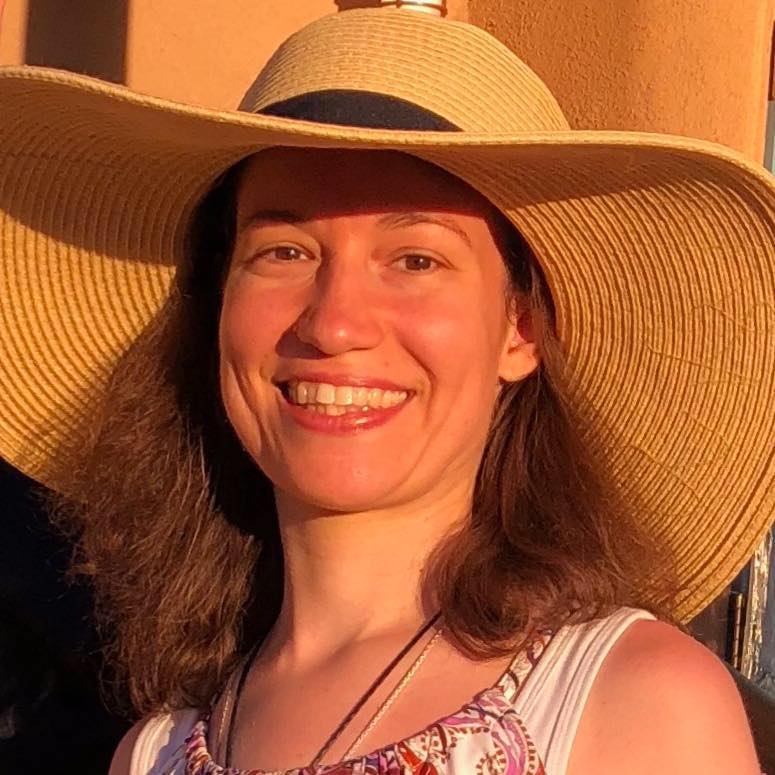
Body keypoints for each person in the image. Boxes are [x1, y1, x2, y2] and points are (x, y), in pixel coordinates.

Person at [0, 7, 772, 774]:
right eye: (283, 250)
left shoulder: (633, 707)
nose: (334, 324)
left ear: (520, 330)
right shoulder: (156, 750)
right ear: (217, 312)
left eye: (415, 260)